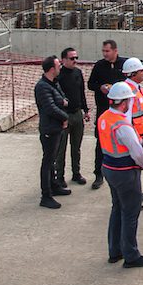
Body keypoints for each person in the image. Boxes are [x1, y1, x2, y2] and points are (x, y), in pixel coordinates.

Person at [98, 81, 143, 268]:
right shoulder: (122, 125)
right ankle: (131, 255)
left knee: (117, 208)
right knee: (130, 212)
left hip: (109, 168)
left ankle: (115, 250)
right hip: (125, 173)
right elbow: (137, 152)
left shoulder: (105, 117)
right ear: (123, 103)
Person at [87, 38, 127, 191]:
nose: (105, 54)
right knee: (100, 142)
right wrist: (101, 87)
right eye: (103, 51)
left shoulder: (123, 65)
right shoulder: (99, 66)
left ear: (115, 51)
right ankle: (98, 174)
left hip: (121, 112)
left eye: (107, 51)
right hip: (103, 111)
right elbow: (91, 84)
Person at [35, 55, 71, 209]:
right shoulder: (42, 86)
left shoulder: (53, 83)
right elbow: (50, 108)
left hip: (56, 128)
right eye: (58, 66)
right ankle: (46, 195)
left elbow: (63, 99)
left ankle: (54, 186)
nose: (60, 68)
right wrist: (64, 117)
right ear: (51, 69)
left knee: (52, 160)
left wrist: (62, 103)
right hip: (50, 129)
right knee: (48, 162)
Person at [55, 47, 90, 187]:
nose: (75, 61)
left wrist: (85, 110)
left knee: (76, 147)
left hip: (77, 114)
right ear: (63, 60)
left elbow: (81, 93)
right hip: (64, 116)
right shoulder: (58, 76)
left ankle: (76, 173)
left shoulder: (78, 73)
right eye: (71, 58)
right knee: (61, 149)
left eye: (76, 58)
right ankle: (60, 176)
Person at [122, 57, 143, 201]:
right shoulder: (129, 91)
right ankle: (133, 196)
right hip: (135, 136)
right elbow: (126, 118)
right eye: (141, 71)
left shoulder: (136, 88)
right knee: (133, 166)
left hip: (140, 134)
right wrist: (133, 137)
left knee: (137, 167)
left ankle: (136, 193)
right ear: (133, 73)